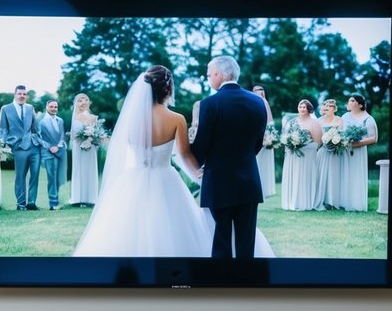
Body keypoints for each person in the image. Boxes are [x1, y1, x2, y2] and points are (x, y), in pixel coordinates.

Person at [74, 65, 273, 259]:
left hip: (132, 180)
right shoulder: (176, 118)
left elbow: (123, 148)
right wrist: (197, 172)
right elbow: (185, 154)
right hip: (168, 179)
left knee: (125, 228)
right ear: (168, 88)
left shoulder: (129, 120)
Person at [192, 55, 268, 259]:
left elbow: (201, 144)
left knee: (222, 239)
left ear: (218, 73)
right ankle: (246, 285)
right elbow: (259, 142)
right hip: (249, 180)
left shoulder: (209, 103)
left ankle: (221, 283)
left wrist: (195, 163)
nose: (208, 78)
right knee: (246, 241)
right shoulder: (258, 102)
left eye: (209, 74)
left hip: (219, 181)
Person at [0, 85, 42, 210]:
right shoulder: (6, 109)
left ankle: (32, 202)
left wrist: (38, 141)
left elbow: (35, 128)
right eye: (20, 94)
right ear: (15, 94)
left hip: (34, 147)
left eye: (24, 94)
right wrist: (6, 143)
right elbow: (2, 129)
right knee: (20, 176)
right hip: (18, 147)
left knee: (35, 175)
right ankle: (21, 204)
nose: (22, 96)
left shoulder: (30, 108)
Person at [337, 94, 378, 212]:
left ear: (360, 105)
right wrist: (342, 141)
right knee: (345, 174)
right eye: (349, 100)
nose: (349, 102)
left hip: (359, 152)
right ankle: (343, 202)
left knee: (356, 174)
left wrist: (357, 143)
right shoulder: (344, 116)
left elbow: (373, 138)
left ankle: (356, 204)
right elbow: (339, 132)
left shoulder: (368, 119)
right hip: (345, 151)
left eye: (352, 100)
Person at [281, 99, 322, 211]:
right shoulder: (292, 122)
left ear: (309, 109)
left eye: (304, 107)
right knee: (293, 177)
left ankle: (304, 201)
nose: (302, 109)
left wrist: (302, 144)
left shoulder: (314, 123)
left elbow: (318, 142)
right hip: (292, 155)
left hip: (307, 157)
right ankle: (291, 201)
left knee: (304, 177)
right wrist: (290, 143)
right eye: (300, 106)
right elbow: (285, 136)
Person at [69, 92, 99, 206]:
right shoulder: (76, 117)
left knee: (90, 170)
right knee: (80, 170)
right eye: (80, 100)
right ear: (76, 104)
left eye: (85, 100)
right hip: (79, 147)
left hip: (91, 148)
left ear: (89, 102)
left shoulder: (94, 117)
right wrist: (84, 137)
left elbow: (98, 133)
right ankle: (79, 198)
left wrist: (93, 138)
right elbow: (74, 135)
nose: (83, 102)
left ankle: (91, 198)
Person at [314, 97, 344, 209]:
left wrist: (334, 141)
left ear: (334, 109)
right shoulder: (319, 121)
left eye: (330, 105)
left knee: (333, 175)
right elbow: (317, 139)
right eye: (326, 105)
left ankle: (332, 201)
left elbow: (340, 135)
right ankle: (321, 200)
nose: (327, 107)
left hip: (335, 151)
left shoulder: (339, 120)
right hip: (322, 150)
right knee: (320, 175)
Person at [38, 99, 67, 210]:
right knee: (52, 178)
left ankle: (58, 200)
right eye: (51, 106)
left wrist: (58, 146)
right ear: (47, 106)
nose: (54, 109)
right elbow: (38, 137)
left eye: (55, 107)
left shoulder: (60, 120)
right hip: (48, 153)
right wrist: (50, 146)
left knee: (60, 178)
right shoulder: (41, 121)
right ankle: (53, 203)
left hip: (60, 152)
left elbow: (62, 136)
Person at [252, 84, 276, 198]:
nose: (259, 91)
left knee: (262, 162)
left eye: (260, 89)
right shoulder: (253, 102)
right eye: (256, 90)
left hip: (265, 137)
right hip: (255, 136)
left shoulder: (264, 102)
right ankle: (258, 187)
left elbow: (270, 121)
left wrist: (269, 135)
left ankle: (263, 188)